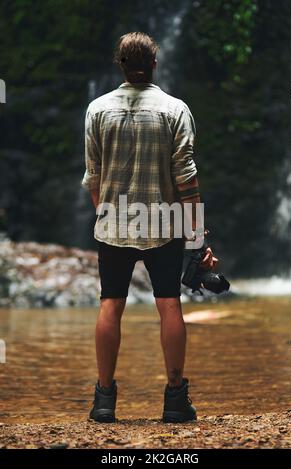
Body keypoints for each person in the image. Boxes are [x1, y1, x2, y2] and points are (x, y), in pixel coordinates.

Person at [81, 32, 217, 423]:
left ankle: (104, 400)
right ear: (155, 63)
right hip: (165, 224)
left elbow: (94, 177)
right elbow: (187, 183)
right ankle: (175, 399)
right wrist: (197, 240)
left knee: (110, 304)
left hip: (114, 224)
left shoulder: (97, 110)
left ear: (120, 65)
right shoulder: (175, 110)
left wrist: (106, 216)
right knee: (169, 304)